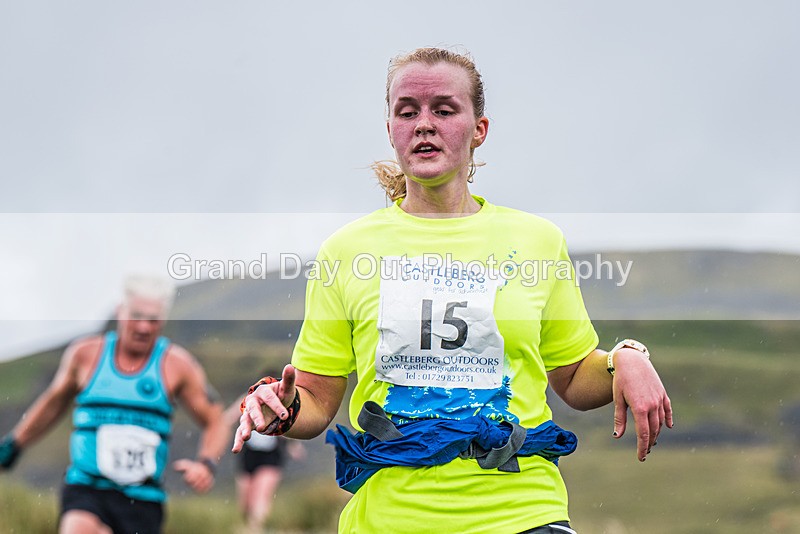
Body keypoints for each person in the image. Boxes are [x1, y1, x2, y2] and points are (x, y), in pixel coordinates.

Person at [232, 47, 673, 533]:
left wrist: (623, 359)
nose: (424, 124)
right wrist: (282, 409)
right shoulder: (345, 251)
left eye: (443, 110)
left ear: (479, 129)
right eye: (407, 112)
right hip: (392, 518)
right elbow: (315, 399)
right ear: (391, 130)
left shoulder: (537, 241)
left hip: (523, 511)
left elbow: (572, 377)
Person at [0, 274, 228, 534]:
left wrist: (207, 464)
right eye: (137, 316)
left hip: (143, 499)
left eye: (152, 320)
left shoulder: (178, 366)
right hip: (87, 488)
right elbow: (53, 403)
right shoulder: (85, 355)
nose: (143, 327)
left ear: (163, 320)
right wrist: (14, 445)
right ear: (120, 312)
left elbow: (215, 420)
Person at [224, 397, 306, 532]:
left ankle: (256, 527)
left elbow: (288, 427)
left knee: (262, 494)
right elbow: (228, 418)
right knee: (245, 501)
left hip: (271, 455)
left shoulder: (283, 402)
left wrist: (293, 446)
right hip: (249, 454)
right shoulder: (249, 398)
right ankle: (249, 525)